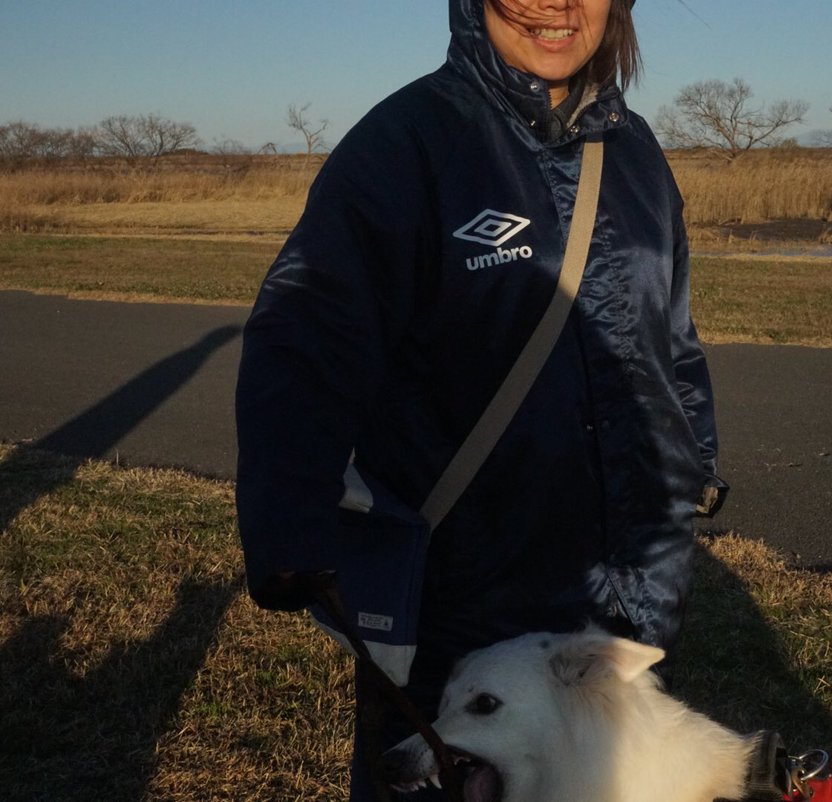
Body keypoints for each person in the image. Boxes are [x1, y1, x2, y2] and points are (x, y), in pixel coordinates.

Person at [235, 0, 725, 797]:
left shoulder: (636, 155)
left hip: (628, 604)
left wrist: (692, 467)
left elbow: (673, 343)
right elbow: (306, 335)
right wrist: (289, 522)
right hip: (462, 603)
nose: (557, 5)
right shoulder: (409, 143)